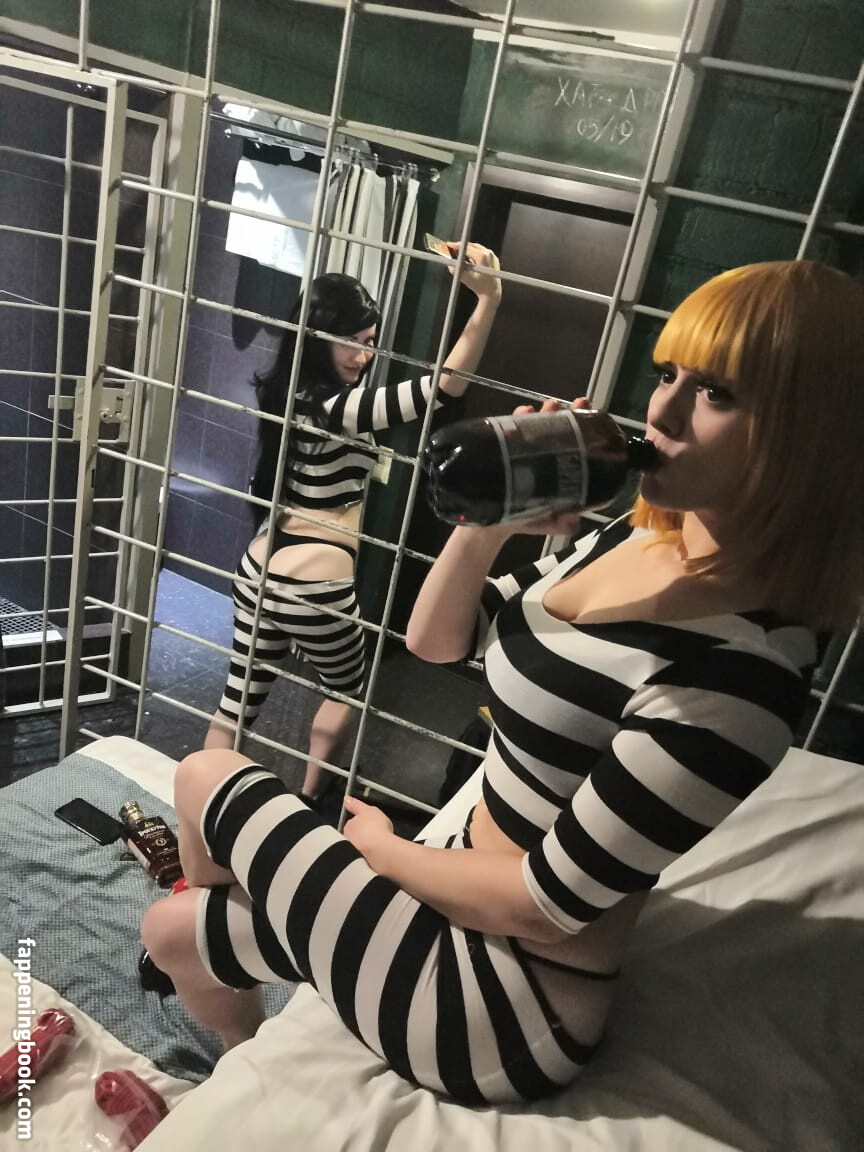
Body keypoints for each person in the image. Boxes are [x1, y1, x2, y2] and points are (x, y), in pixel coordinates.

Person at [142, 260, 864, 1105]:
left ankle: (241, 996)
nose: (661, 412)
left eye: (716, 393)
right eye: (667, 374)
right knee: (170, 931)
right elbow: (436, 641)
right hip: (455, 898)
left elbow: (544, 904)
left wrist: (383, 851)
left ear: (811, 437)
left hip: (503, 1004)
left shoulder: (743, 678)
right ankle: (239, 1064)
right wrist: (488, 528)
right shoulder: (634, 539)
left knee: (205, 775)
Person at [204, 247, 502, 804]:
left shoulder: (284, 391)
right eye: (351, 341)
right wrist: (487, 300)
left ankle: (200, 800)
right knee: (349, 691)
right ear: (317, 335)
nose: (363, 355)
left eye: (370, 342)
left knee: (237, 702)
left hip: (259, 567)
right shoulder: (337, 408)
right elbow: (444, 388)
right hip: (315, 582)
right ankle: (312, 797)